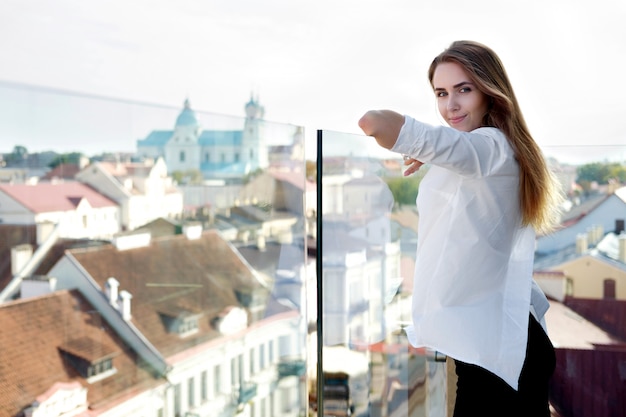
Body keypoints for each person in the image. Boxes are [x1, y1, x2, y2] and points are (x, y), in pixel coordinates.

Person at [358, 40, 561, 416]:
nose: (450, 105)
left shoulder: (489, 147)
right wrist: (439, 148)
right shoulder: (497, 148)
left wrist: (431, 144)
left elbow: (374, 122)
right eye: (440, 93)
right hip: (498, 341)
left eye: (463, 90)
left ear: (490, 92)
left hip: (494, 354)